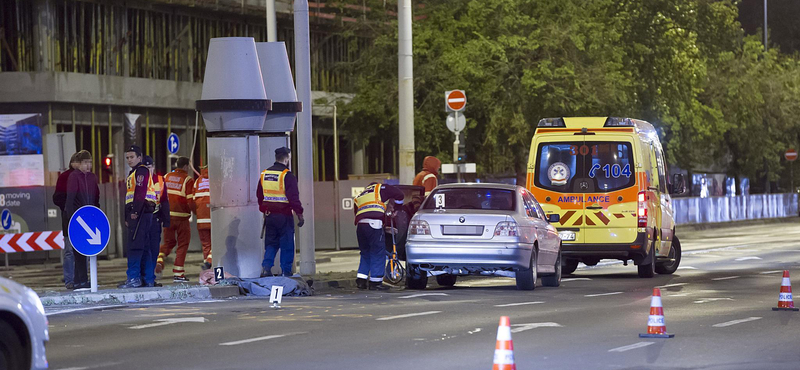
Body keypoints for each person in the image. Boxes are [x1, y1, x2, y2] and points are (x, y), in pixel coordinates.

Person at [256, 147, 304, 277]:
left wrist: (264, 209)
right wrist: (300, 214)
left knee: (271, 243)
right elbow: (293, 198)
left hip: (270, 216)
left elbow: (259, 195)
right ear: (287, 158)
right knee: (287, 244)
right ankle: (286, 271)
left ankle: (266, 268)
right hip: (285, 215)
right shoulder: (287, 175)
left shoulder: (264, 174)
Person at [353, 182, 404, 290]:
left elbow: (357, 212)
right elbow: (400, 195)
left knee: (365, 253)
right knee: (378, 252)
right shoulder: (381, 188)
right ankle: (375, 283)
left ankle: (361, 281)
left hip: (361, 226)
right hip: (374, 224)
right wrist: (397, 209)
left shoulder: (361, 195)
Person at [119, 145, 157, 289]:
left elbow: (139, 192)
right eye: (127, 157)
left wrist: (134, 212)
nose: (129, 160)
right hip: (143, 212)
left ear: (139, 158)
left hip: (140, 212)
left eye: (132, 157)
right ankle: (148, 279)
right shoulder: (134, 173)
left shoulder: (140, 171)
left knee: (134, 247)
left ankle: (134, 278)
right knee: (145, 247)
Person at [63, 150, 100, 291]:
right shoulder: (74, 177)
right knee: (79, 250)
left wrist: (96, 213)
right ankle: (82, 279)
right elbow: (70, 199)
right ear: (79, 164)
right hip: (78, 218)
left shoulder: (92, 178)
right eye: (85, 163)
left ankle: (80, 279)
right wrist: (72, 218)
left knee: (86, 250)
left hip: (90, 216)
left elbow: (96, 196)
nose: (88, 166)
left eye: (90, 162)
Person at [157, 156, 194, 282]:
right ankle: (178, 273)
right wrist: (196, 212)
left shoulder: (166, 176)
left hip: (168, 217)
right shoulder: (188, 180)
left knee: (168, 243)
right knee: (183, 244)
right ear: (185, 166)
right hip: (182, 218)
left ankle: (159, 260)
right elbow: (190, 201)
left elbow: (160, 195)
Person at [53, 152, 80, 289]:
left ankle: (81, 278)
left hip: (83, 219)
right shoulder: (64, 177)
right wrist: (67, 208)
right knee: (69, 250)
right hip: (69, 219)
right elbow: (57, 197)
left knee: (82, 251)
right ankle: (70, 280)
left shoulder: (85, 177)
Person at [143, 156, 169, 286]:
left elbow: (164, 201)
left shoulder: (160, 180)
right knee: (144, 250)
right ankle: (146, 277)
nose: (148, 170)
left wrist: (166, 220)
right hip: (142, 220)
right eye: (146, 167)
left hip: (155, 219)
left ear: (153, 167)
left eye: (150, 167)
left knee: (154, 250)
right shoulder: (140, 181)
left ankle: (150, 278)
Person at [193, 166, 212, 270]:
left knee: (206, 245)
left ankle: (207, 269)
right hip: (214, 218)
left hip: (201, 219)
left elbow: (192, 200)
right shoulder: (216, 179)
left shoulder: (198, 181)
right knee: (217, 243)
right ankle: (209, 262)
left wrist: (197, 213)